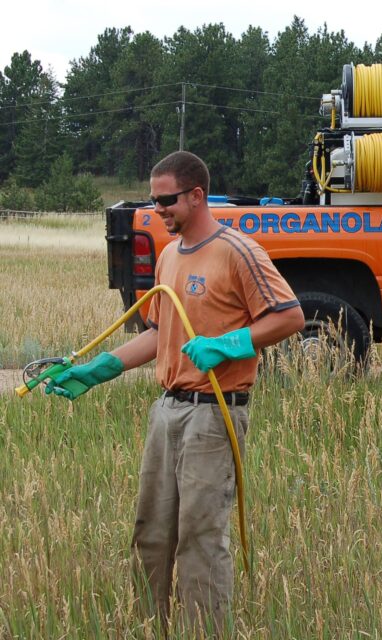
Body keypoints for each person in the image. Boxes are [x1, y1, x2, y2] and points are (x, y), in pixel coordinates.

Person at [45, 151, 305, 633]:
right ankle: (153, 627)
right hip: (167, 410)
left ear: (196, 195)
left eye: (165, 200)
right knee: (152, 534)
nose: (157, 208)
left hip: (214, 414)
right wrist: (101, 369)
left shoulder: (238, 251)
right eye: (153, 198)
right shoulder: (168, 255)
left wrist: (231, 344)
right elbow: (156, 331)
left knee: (200, 539)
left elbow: (290, 316)